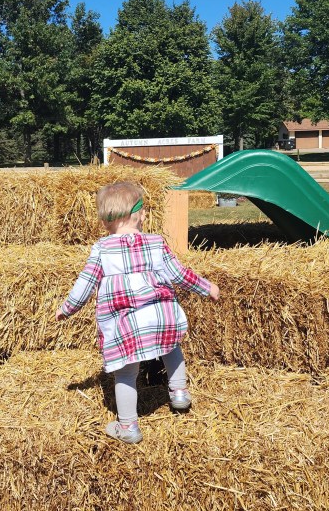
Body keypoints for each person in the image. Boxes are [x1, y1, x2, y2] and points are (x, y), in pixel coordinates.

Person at [55, 181, 220, 444]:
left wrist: (67, 308)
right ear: (141, 214)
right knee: (171, 347)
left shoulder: (102, 249)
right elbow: (178, 274)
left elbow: (85, 284)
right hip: (161, 315)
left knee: (125, 372)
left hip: (126, 322)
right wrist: (206, 287)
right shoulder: (156, 243)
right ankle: (178, 393)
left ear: (105, 222)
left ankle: (128, 427)